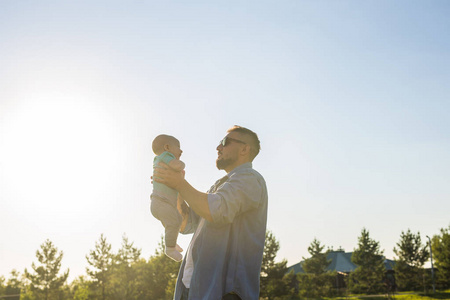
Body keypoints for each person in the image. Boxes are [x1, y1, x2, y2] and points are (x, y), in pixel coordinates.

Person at [153, 125, 268, 300]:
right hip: (193, 289)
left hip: (225, 292)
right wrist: (170, 189)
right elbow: (187, 223)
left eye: (225, 142)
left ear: (245, 149)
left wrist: (179, 184)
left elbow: (216, 210)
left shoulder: (250, 179)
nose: (218, 147)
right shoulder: (219, 186)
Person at [150, 134, 185, 262]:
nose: (181, 151)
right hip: (161, 202)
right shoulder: (166, 156)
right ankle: (170, 249)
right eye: (178, 147)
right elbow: (177, 166)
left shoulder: (160, 160)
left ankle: (172, 241)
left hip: (161, 203)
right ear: (167, 147)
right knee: (173, 223)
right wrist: (182, 164)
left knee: (178, 219)